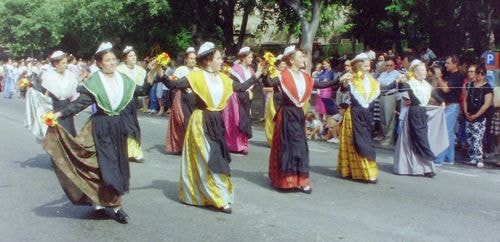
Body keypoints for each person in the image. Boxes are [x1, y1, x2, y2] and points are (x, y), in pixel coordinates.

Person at [45, 42, 142, 224]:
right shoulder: (94, 82)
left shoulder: (125, 81)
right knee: (103, 166)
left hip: (118, 127)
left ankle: (108, 203)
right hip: (101, 126)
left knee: (117, 165)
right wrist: (59, 113)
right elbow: (79, 104)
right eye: (107, 60)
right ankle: (113, 206)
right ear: (99, 63)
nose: (112, 63)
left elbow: (133, 103)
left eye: (113, 59)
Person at [158, 42, 260, 213]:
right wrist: (160, 71)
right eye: (218, 58)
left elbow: (241, 88)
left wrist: (257, 74)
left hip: (217, 122)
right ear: (207, 60)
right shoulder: (196, 77)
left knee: (217, 157)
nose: (222, 61)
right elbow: (172, 85)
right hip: (200, 121)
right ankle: (217, 198)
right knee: (206, 158)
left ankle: (215, 193)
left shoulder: (223, 78)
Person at [263, 46, 339, 193]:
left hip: (298, 114)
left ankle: (302, 180)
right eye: (300, 57)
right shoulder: (282, 75)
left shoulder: (304, 75)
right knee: (287, 147)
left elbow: (320, 84)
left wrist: (338, 79)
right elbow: (269, 83)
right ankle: (286, 181)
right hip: (286, 114)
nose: (303, 59)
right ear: (291, 60)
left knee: (300, 147)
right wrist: (265, 71)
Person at [393, 60, 447, 177]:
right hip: (414, 113)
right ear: (415, 73)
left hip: (421, 113)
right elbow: (407, 94)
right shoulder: (410, 83)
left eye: (425, 70)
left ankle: (425, 167)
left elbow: (434, 95)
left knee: (421, 138)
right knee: (418, 138)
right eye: (421, 70)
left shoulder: (426, 85)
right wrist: (402, 81)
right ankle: (424, 164)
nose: (424, 72)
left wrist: (441, 101)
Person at [337, 53, 380, 183]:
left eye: (369, 66)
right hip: (354, 113)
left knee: (365, 141)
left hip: (366, 115)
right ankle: (362, 172)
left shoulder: (372, 81)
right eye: (365, 66)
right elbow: (343, 89)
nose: (368, 68)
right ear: (359, 66)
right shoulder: (352, 79)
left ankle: (365, 171)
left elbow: (375, 96)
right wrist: (345, 80)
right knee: (356, 142)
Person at [222, 47, 256, 154]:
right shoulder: (236, 69)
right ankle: (232, 144)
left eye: (252, 57)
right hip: (236, 97)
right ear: (243, 58)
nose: (251, 59)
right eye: (249, 57)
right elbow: (238, 85)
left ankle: (243, 145)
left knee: (245, 120)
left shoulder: (251, 70)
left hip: (247, 96)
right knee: (236, 120)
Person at [165, 47, 198, 154]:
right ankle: (179, 145)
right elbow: (174, 83)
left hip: (194, 99)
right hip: (181, 97)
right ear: (186, 59)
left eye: (194, 58)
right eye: (191, 58)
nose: (193, 60)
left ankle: (190, 146)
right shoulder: (181, 70)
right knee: (181, 120)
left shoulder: (198, 71)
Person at [117, 46, 147, 162]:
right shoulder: (119, 69)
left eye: (134, 55)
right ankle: (126, 151)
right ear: (125, 58)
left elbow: (141, 87)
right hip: (122, 100)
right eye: (130, 56)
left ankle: (134, 151)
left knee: (133, 124)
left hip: (133, 101)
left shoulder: (140, 70)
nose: (133, 57)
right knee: (126, 125)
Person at [434, 55, 465, 165]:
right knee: (449, 133)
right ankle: (449, 157)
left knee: (444, 132)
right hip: (444, 105)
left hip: (452, 106)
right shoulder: (447, 74)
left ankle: (439, 159)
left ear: (455, 64)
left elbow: (446, 89)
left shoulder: (458, 76)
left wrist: (438, 76)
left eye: (448, 63)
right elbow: (439, 87)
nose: (446, 65)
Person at [41, 51, 79, 136]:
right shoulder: (49, 75)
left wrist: (75, 108)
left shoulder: (69, 75)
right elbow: (46, 95)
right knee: (57, 134)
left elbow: (73, 93)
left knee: (69, 132)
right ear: (56, 63)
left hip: (67, 106)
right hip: (55, 106)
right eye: (63, 63)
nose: (66, 65)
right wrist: (46, 111)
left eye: (66, 63)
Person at [463, 66, 493, 168]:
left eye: (481, 73)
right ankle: (472, 157)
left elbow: (486, 104)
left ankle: (479, 158)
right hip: (469, 114)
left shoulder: (487, 87)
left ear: (484, 74)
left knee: (477, 138)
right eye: (477, 73)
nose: (479, 75)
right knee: (470, 137)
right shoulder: (470, 85)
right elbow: (465, 99)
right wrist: (466, 111)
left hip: (479, 117)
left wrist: (476, 115)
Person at [377, 57, 400, 145]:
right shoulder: (383, 74)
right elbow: (378, 83)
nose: (389, 67)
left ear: (394, 66)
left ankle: (389, 139)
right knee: (382, 118)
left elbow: (387, 85)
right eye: (387, 65)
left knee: (390, 118)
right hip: (382, 96)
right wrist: (384, 85)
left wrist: (384, 85)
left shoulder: (396, 74)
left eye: (391, 65)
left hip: (390, 96)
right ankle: (385, 136)